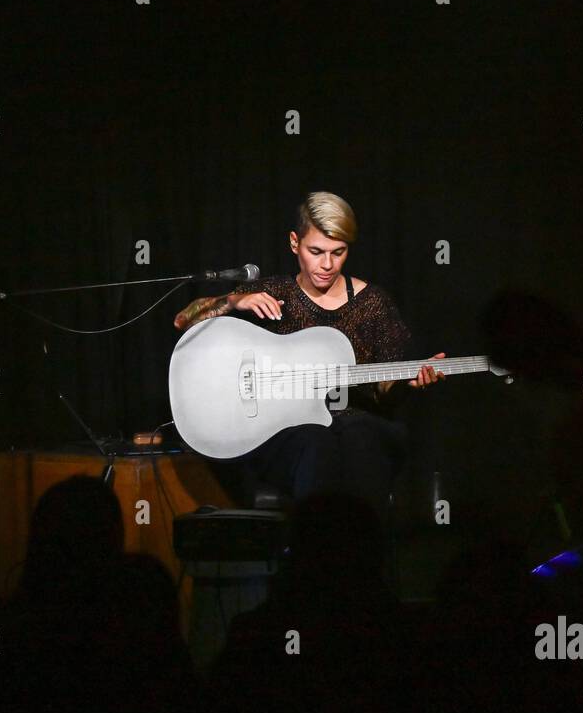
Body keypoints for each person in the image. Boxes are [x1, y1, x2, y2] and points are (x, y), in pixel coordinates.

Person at [173, 191, 445, 524]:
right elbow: (183, 321)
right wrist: (233, 301)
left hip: (359, 429)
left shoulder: (373, 303)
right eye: (316, 252)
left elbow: (384, 392)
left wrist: (408, 382)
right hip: (290, 434)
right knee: (316, 441)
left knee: (360, 434)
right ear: (294, 243)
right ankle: (313, 554)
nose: (327, 265)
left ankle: (362, 552)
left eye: (338, 252)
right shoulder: (273, 293)